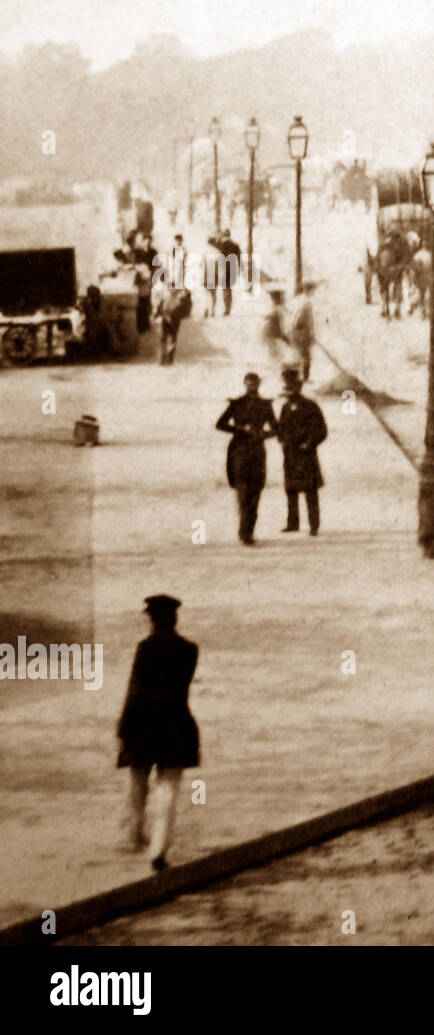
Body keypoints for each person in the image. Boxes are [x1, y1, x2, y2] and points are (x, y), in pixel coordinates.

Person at [117, 594, 199, 872]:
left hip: (143, 726)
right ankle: (158, 850)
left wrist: (123, 726)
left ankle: (135, 834)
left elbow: (135, 690)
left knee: (137, 784)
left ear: (152, 620)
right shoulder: (190, 649)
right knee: (168, 792)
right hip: (176, 725)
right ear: (174, 619)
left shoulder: (145, 648)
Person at [216, 373, 278, 545]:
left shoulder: (265, 405)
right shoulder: (237, 404)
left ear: (259, 384)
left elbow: (276, 428)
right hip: (239, 451)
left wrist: (263, 434)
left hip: (257, 451)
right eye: (249, 383)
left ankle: (248, 531)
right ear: (244, 384)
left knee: (255, 491)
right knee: (243, 492)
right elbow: (220, 424)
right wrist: (241, 429)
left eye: (255, 383)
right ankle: (245, 533)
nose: (252, 386)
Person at [277, 365, 327, 535]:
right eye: (287, 390)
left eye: (292, 389)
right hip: (290, 454)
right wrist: (281, 440)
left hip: (306, 454)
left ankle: (314, 525)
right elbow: (280, 428)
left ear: (298, 389)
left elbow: (322, 430)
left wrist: (309, 443)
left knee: (310, 490)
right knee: (291, 490)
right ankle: (293, 523)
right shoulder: (285, 408)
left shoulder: (310, 406)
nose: (289, 394)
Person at [286, 286, 316, 381]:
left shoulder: (299, 300)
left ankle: (300, 376)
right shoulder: (307, 302)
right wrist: (310, 332)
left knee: (301, 355)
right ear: (308, 290)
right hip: (301, 332)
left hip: (298, 331)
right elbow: (301, 319)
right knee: (305, 356)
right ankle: (304, 377)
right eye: (313, 290)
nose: (314, 292)